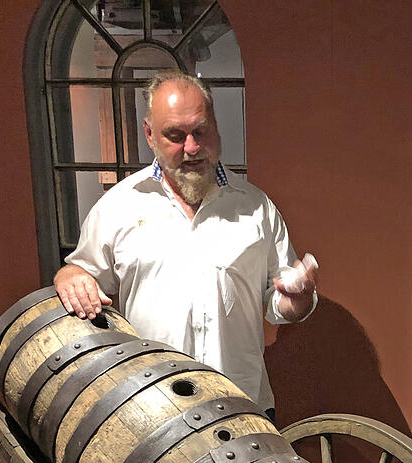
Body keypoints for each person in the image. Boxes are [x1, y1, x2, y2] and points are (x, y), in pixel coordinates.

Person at [53, 71, 317, 421]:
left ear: (215, 127)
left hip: (242, 404)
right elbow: (82, 273)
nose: (191, 148)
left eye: (200, 132)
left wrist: (296, 301)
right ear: (150, 134)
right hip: (151, 412)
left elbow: (279, 301)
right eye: (175, 136)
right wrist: (70, 275)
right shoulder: (118, 207)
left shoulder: (256, 208)